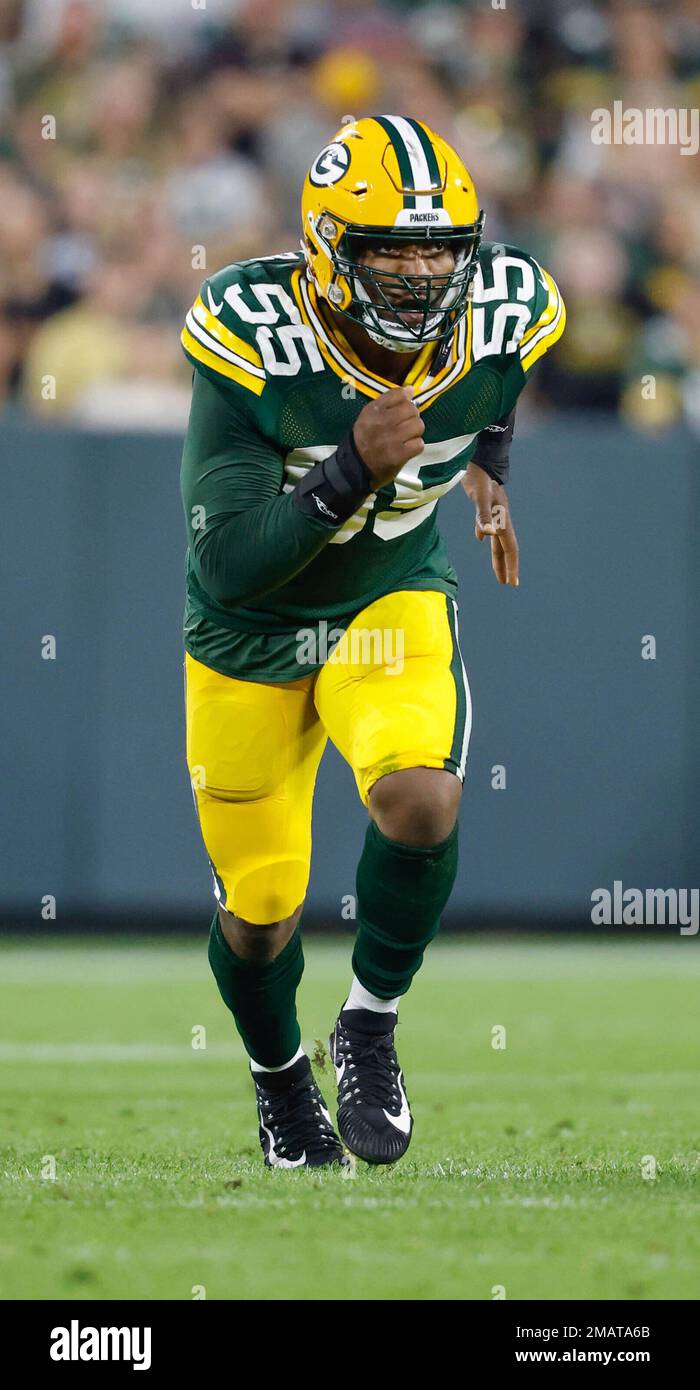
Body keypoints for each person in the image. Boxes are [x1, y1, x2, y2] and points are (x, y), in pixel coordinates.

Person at [180, 115, 565, 1168]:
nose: (418, 271)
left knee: (423, 793)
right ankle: (277, 1082)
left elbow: (497, 381)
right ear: (326, 248)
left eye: (439, 248)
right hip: (248, 632)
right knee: (260, 909)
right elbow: (226, 564)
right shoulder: (252, 328)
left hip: (381, 603)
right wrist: (346, 466)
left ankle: (368, 1023)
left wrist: (491, 461)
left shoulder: (511, 310)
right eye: (390, 246)